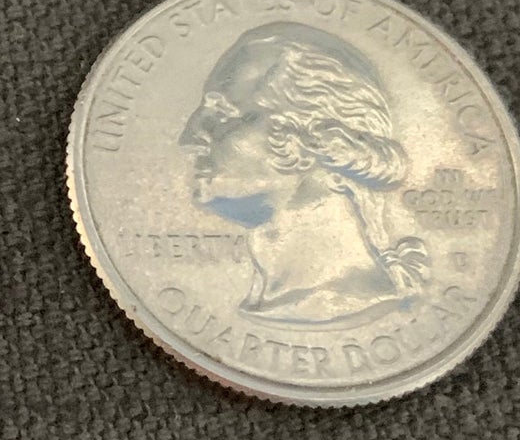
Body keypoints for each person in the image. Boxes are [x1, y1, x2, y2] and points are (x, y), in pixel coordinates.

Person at [179, 23, 430, 326]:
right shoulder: (273, 303)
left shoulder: (336, 304)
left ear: (307, 141)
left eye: (224, 115)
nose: (190, 138)